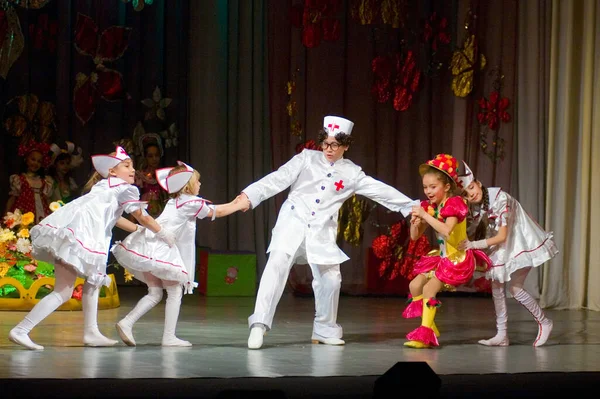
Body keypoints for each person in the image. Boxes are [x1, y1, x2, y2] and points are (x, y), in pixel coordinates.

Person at [239, 115, 419, 349]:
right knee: (277, 264)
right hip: (292, 221)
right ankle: (259, 325)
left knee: (331, 279)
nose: (329, 149)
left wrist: (411, 207)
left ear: (345, 145)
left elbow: (380, 191)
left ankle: (324, 328)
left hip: (321, 230)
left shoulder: (352, 173)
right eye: (325, 143)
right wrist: (250, 196)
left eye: (335, 145)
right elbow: (277, 179)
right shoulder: (306, 159)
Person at [8, 146, 176, 350]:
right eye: (126, 165)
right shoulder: (124, 188)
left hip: (77, 234)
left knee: (93, 282)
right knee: (63, 292)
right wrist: (161, 232)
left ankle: (91, 332)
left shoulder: (104, 187)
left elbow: (115, 218)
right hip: (81, 236)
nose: (132, 170)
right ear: (113, 171)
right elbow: (141, 214)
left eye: (132, 165)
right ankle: (21, 330)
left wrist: (139, 230)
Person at [111, 161, 250, 347]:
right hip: (161, 248)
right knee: (175, 291)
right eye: (197, 181)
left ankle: (127, 322)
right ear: (188, 184)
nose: (200, 184)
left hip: (149, 245)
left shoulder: (176, 201)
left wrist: (237, 202)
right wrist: (237, 205)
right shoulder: (190, 203)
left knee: (155, 293)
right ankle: (168, 337)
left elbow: (219, 207)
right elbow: (218, 211)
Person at [457, 161, 558, 347]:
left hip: (521, 244)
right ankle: (502, 334)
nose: (471, 193)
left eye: (472, 187)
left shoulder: (500, 199)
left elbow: (502, 236)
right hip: (507, 247)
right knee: (496, 287)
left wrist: (473, 245)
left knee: (515, 288)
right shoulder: (483, 205)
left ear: (478, 183)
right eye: (467, 194)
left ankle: (544, 322)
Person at [403, 154, 491, 349]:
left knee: (429, 289)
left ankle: (425, 335)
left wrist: (425, 215)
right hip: (442, 257)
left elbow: (446, 230)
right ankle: (430, 327)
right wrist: (415, 223)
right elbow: (415, 237)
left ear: (447, 186)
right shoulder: (431, 207)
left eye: (433, 187)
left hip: (457, 258)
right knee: (415, 285)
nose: (428, 191)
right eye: (426, 187)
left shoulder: (455, 203)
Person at [5, 140, 54, 224]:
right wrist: (6, 214)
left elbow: (47, 200)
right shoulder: (19, 179)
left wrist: (54, 213)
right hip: (24, 212)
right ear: (26, 159)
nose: (36, 163)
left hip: (42, 213)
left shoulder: (45, 181)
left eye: (39, 161)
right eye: (33, 159)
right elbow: (12, 198)